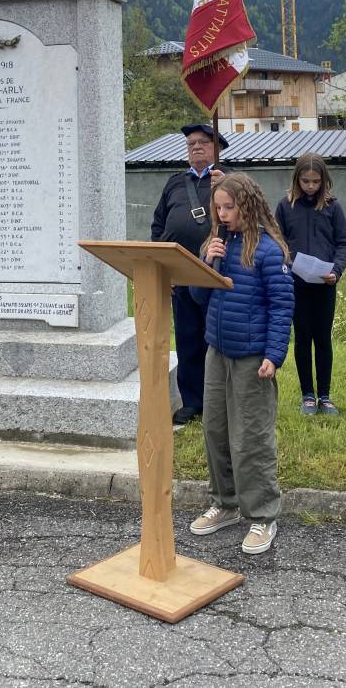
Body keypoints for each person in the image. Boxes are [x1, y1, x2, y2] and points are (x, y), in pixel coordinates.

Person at [187, 174, 294, 555]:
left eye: (228, 207)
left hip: (252, 357)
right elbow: (199, 297)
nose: (222, 214)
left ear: (247, 206)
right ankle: (225, 503)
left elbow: (282, 307)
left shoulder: (268, 250)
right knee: (215, 431)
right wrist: (207, 262)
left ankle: (263, 515)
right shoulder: (216, 245)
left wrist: (273, 355)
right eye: (218, 208)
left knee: (250, 438)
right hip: (217, 351)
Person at [150, 122, 227, 425]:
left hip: (216, 275)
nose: (195, 147)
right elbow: (158, 227)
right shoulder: (174, 183)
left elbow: (248, 218)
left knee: (214, 340)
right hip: (180, 275)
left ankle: (216, 401)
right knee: (187, 339)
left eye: (203, 143)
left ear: (216, 149)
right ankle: (192, 401)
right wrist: (161, 268)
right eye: (191, 144)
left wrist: (228, 184)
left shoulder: (228, 179)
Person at [275, 154, 346, 415]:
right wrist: (290, 260)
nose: (310, 186)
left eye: (315, 181)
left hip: (325, 283)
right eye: (305, 181)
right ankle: (307, 394)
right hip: (296, 284)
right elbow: (279, 241)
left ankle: (325, 396)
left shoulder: (333, 207)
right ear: (297, 179)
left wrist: (337, 270)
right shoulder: (285, 206)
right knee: (303, 338)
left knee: (322, 338)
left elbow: (343, 243)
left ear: (324, 181)